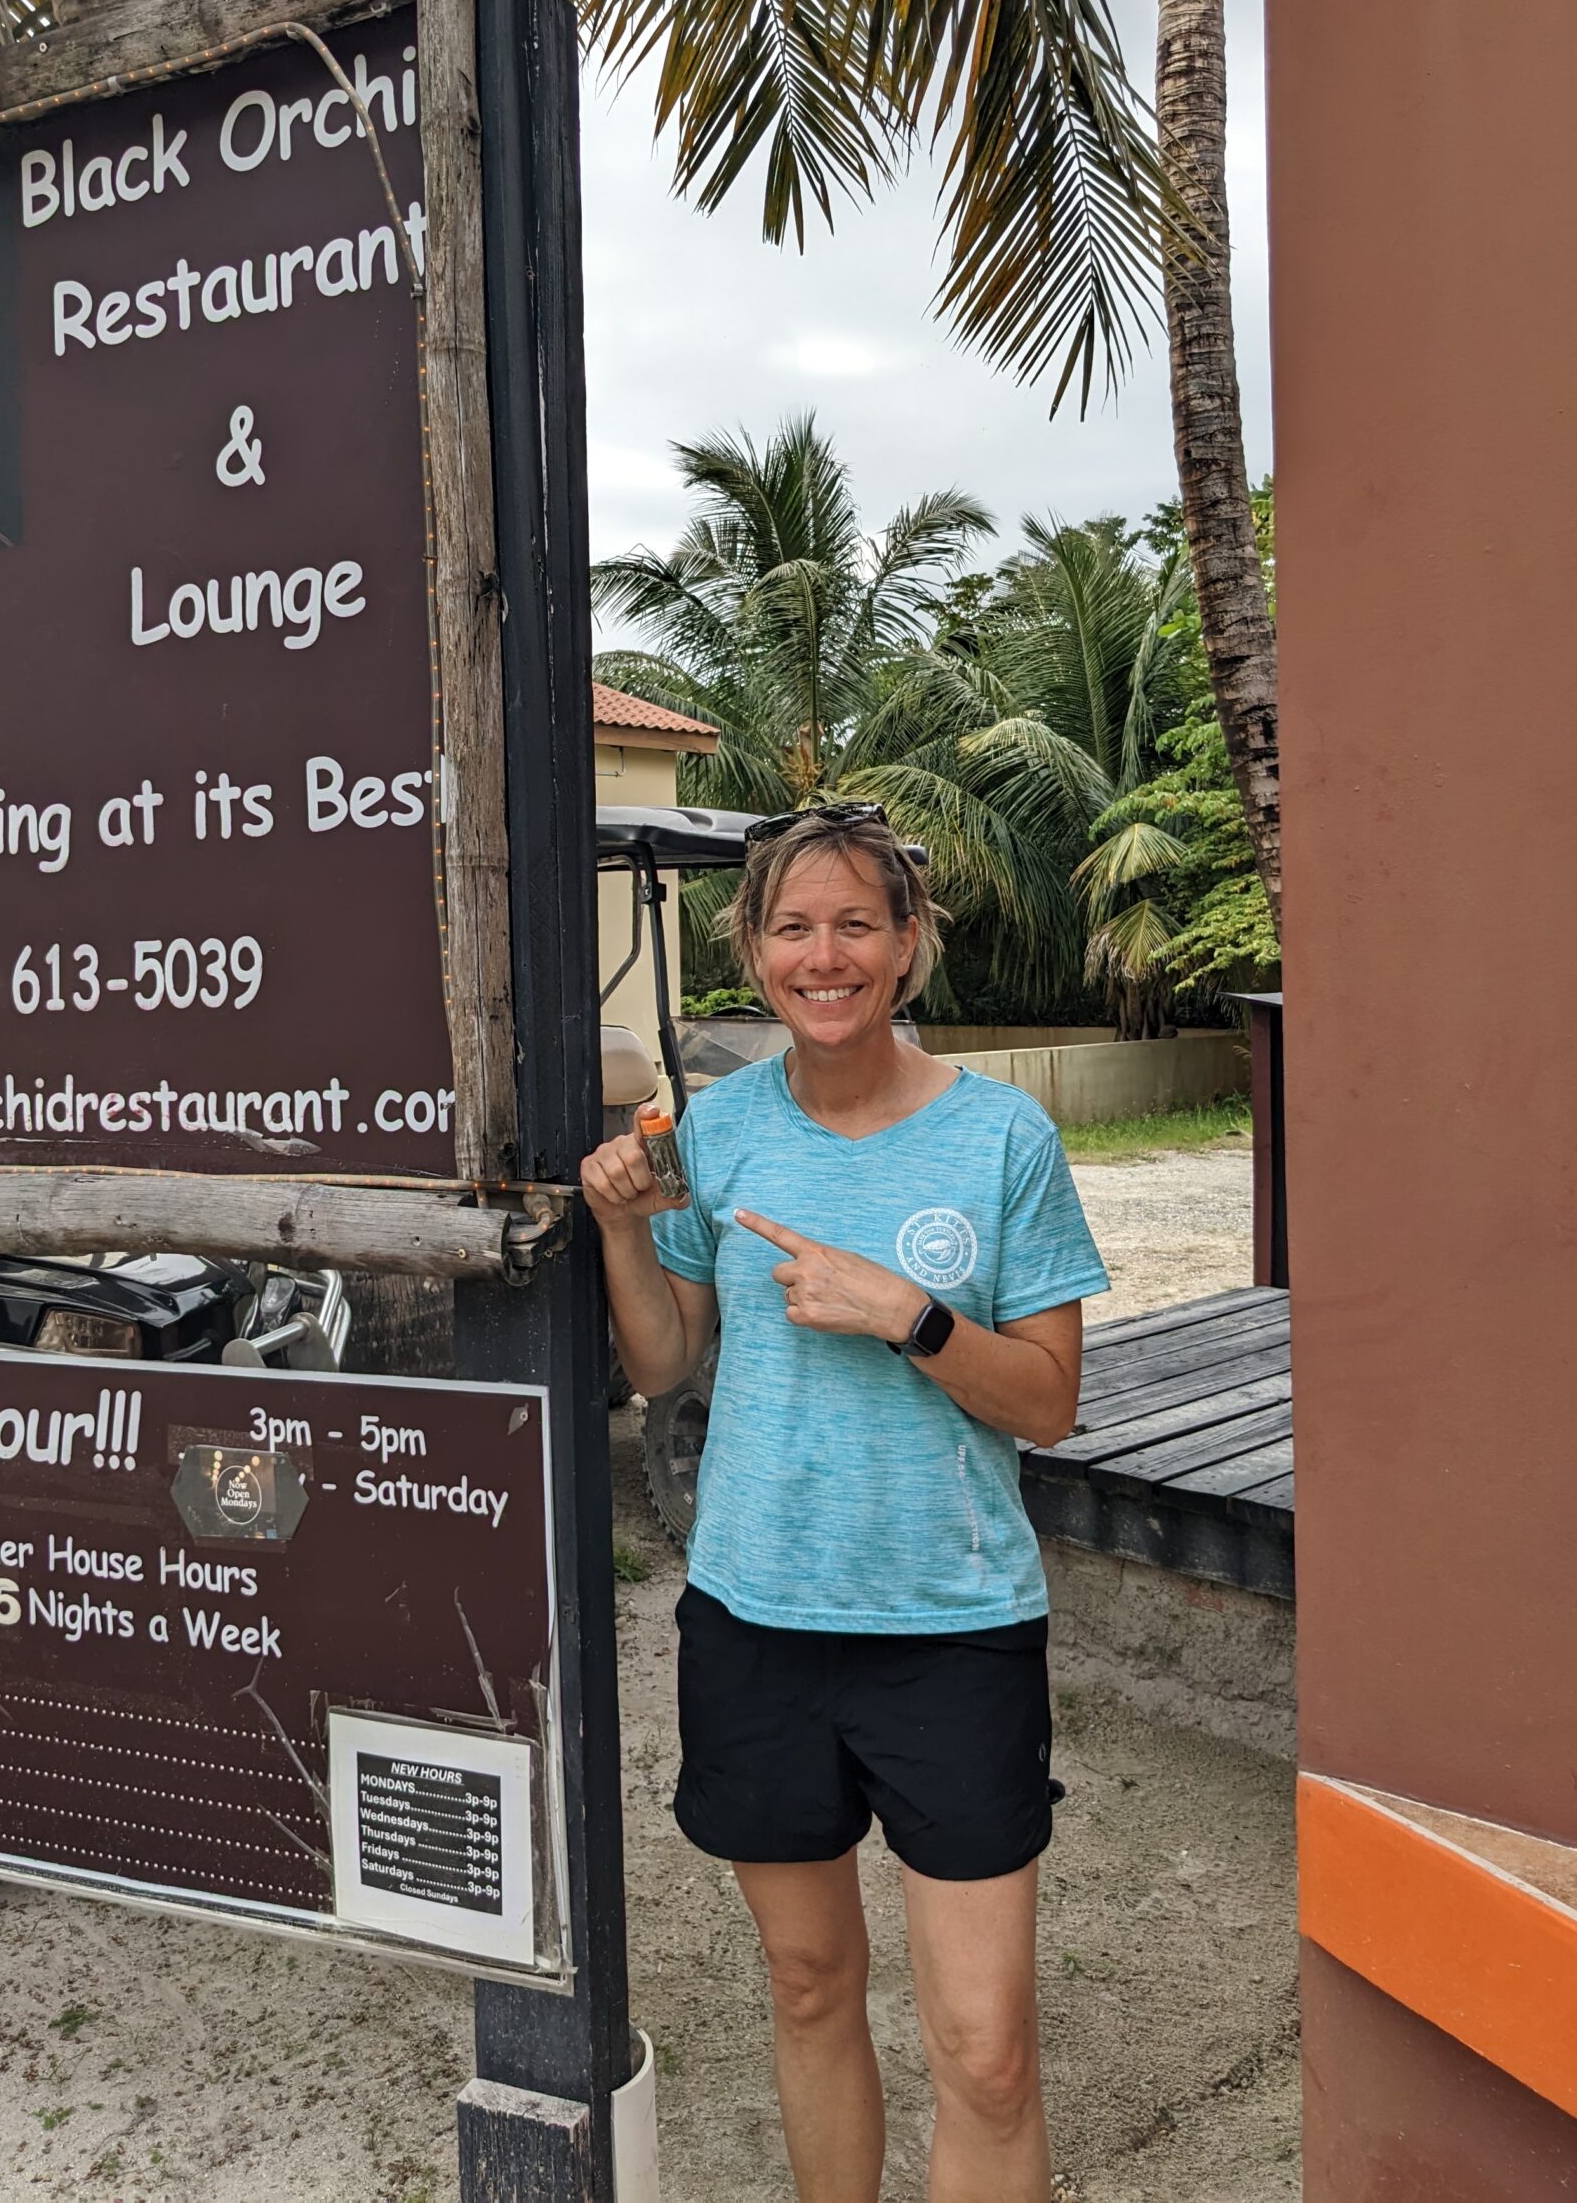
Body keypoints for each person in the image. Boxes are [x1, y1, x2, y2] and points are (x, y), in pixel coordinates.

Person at [582, 804, 1107, 2203]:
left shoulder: (1003, 1138)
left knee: (987, 2052)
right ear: (754, 950)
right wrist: (625, 1229)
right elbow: (665, 1363)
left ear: (909, 944)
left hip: (953, 1629)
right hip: (756, 1619)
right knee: (811, 1983)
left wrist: (910, 1317)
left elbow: (1050, 1402)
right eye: (794, 927)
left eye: (857, 924)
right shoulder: (719, 1130)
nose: (826, 956)